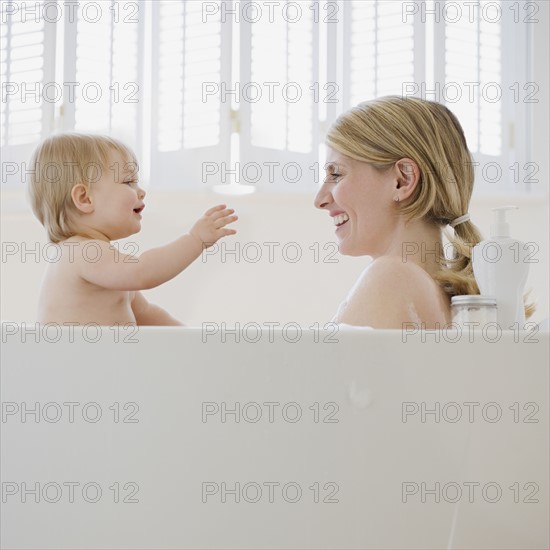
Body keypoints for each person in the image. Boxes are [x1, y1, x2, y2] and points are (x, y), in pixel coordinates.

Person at [315, 95, 534, 329]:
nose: (320, 200)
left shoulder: (391, 278)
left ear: (402, 180)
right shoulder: (453, 303)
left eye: (336, 174)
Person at [28, 133, 237, 326]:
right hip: (72, 364)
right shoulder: (82, 252)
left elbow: (145, 313)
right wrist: (194, 239)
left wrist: (190, 338)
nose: (141, 191)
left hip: (96, 364)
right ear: (85, 198)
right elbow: (143, 272)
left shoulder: (103, 263)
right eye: (128, 181)